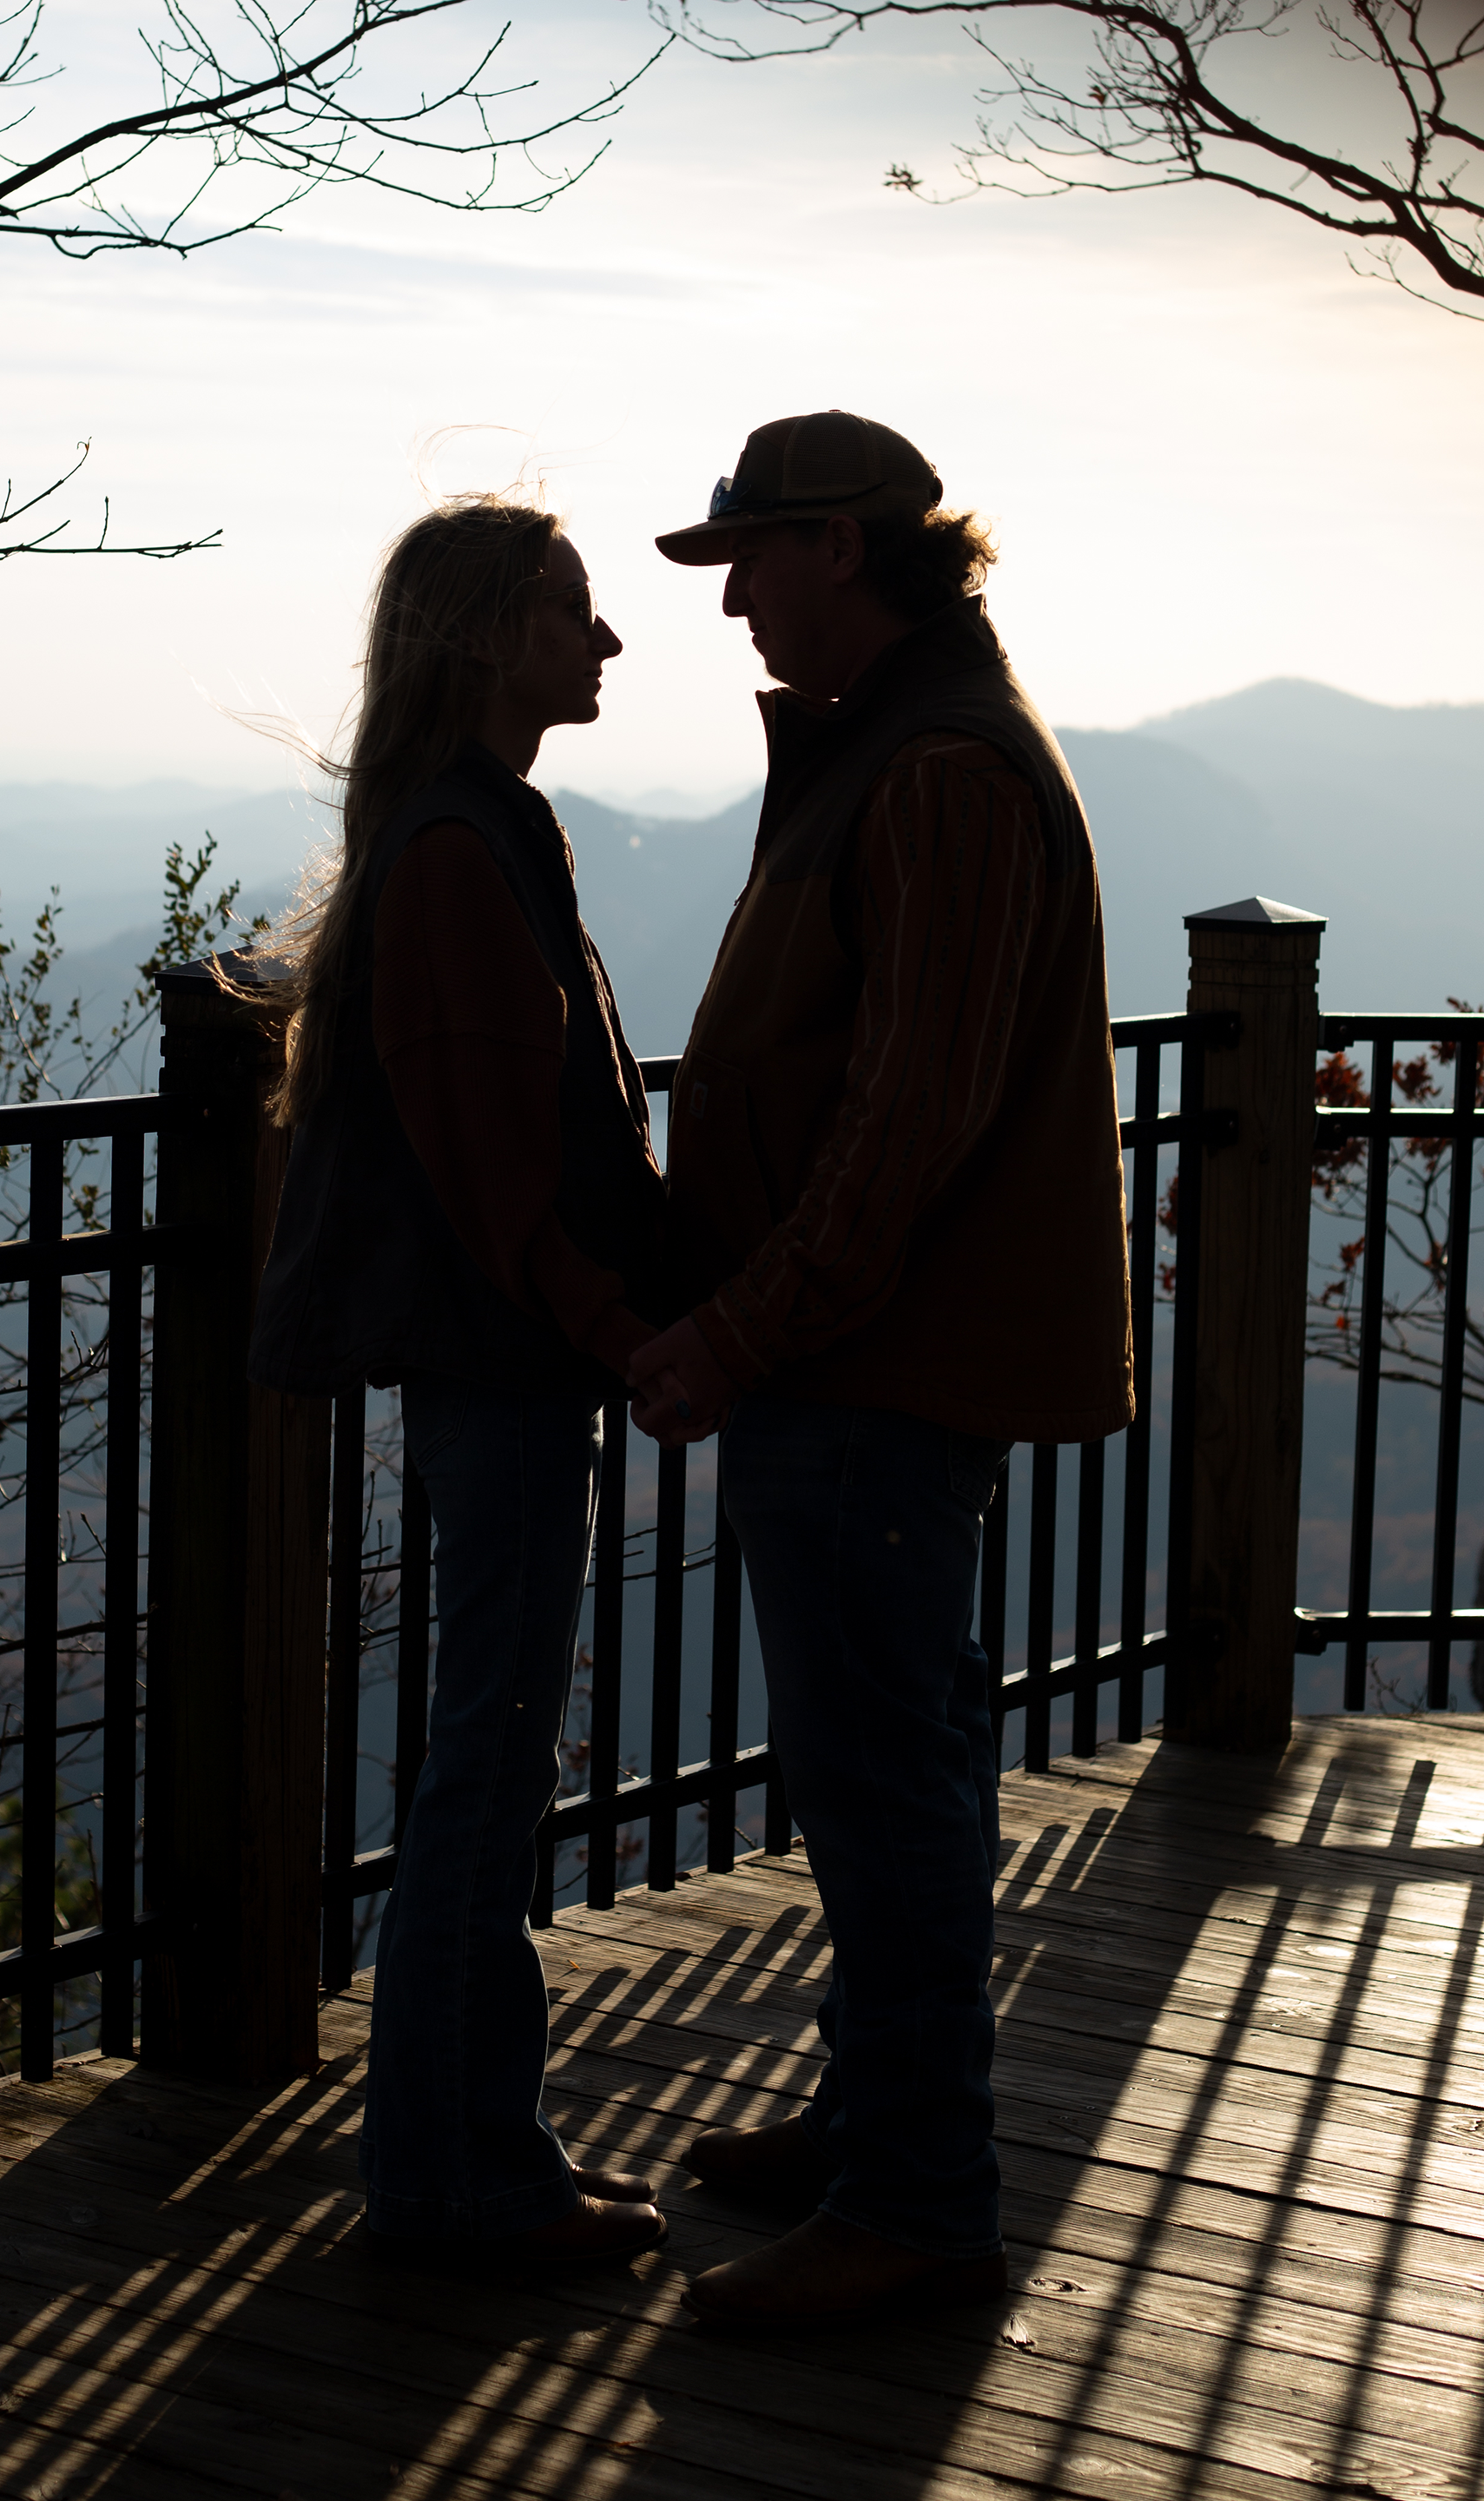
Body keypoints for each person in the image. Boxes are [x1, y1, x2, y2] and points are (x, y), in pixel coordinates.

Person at [629, 411, 1134, 2327]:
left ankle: (917, 2202)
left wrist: (737, 1329)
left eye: (751, 558)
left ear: (843, 545)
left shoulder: (931, 771)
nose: (736, 599)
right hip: (863, 1366)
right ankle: (870, 2130)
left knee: (886, 1796)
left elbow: (905, 1117)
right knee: (893, 1772)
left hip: (865, 1374)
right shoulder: (907, 747)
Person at [247, 496, 669, 2266]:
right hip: (511, 1377)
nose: (609, 640)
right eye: (575, 611)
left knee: (489, 1769)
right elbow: (504, 1177)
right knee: (482, 1779)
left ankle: (484, 2154)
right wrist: (641, 1330)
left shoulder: (476, 833)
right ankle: (442, 2184)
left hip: (514, 1373)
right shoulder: (458, 855)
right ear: (488, 635)